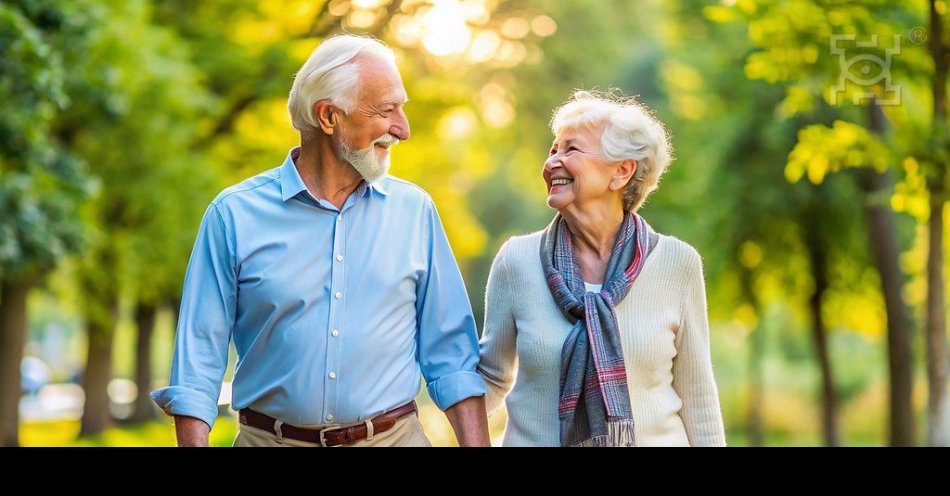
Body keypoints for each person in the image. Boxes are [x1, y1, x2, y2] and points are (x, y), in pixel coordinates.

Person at [151, 34, 489, 447]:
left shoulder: (415, 212)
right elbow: (197, 362)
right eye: (387, 111)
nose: (403, 129)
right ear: (329, 117)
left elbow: (452, 355)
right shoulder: (233, 215)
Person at [478, 90, 726, 446]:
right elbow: (489, 378)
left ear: (621, 171)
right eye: (553, 151)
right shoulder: (516, 261)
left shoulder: (676, 263)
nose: (552, 163)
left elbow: (698, 396)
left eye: (571, 150)